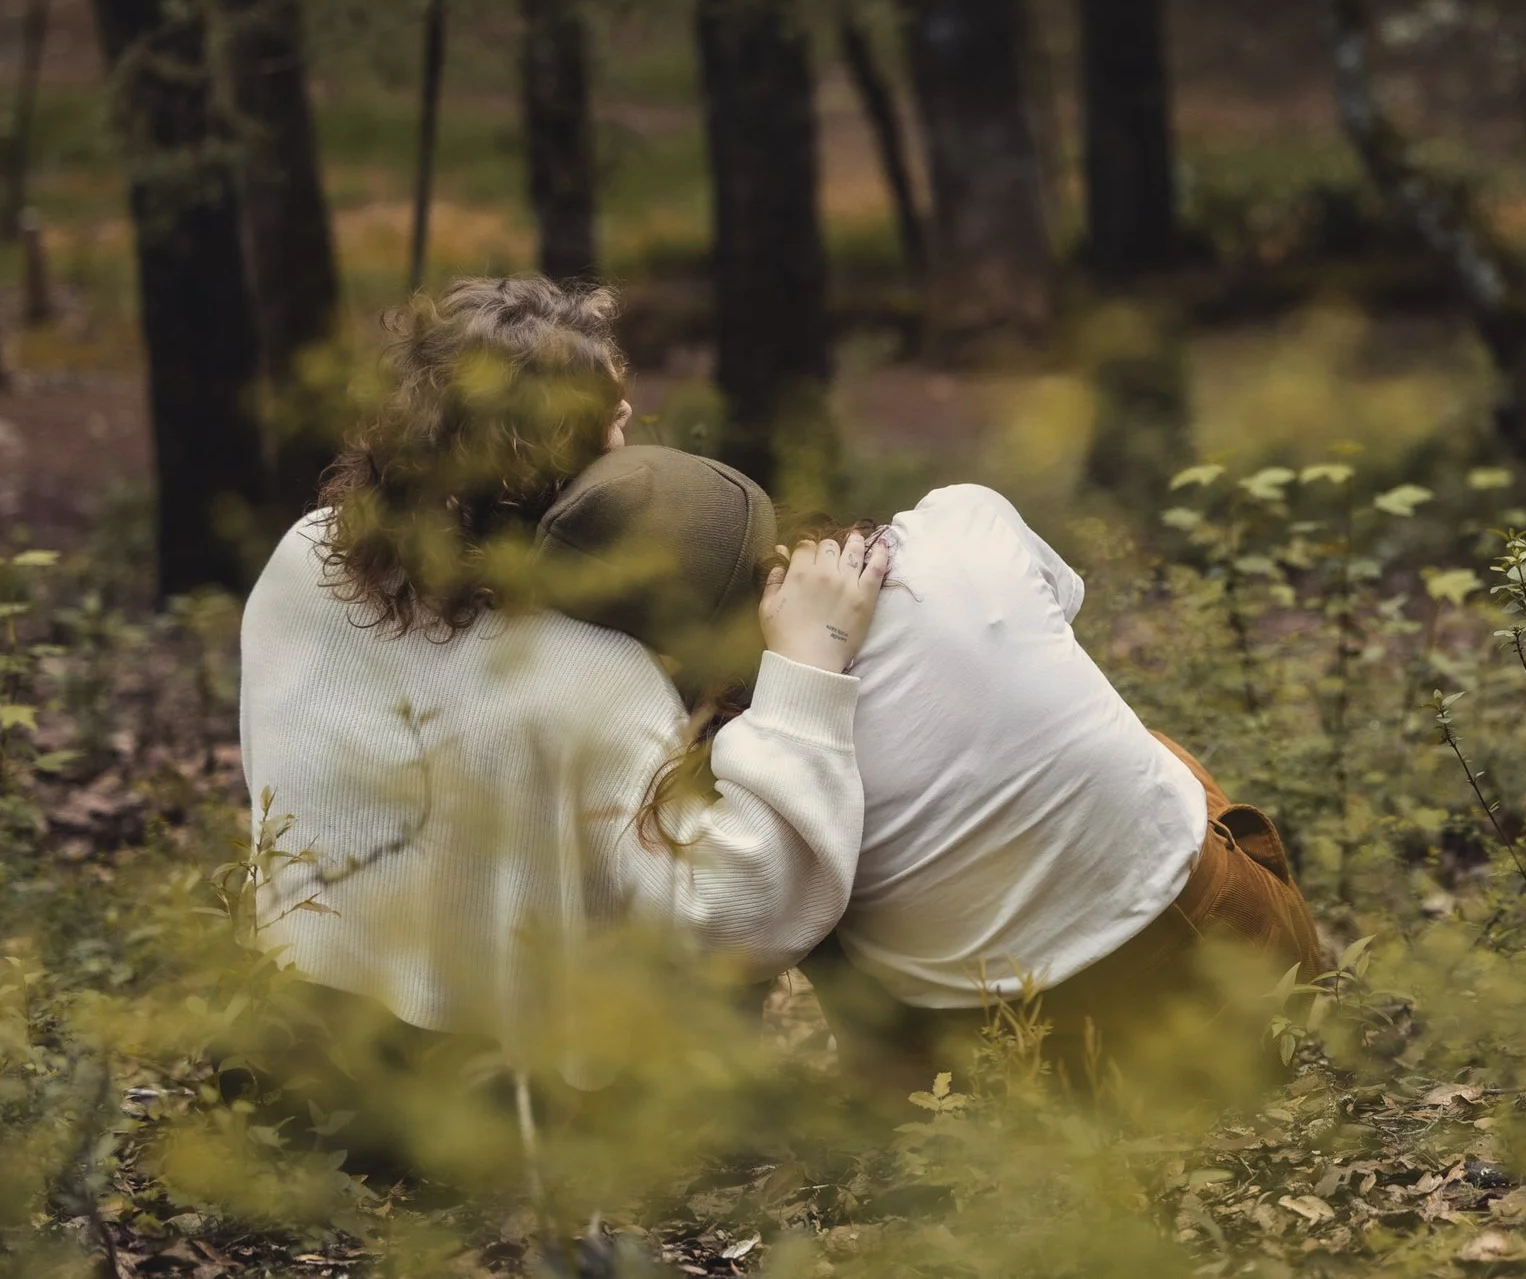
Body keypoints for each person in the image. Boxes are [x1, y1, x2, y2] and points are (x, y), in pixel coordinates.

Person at [236, 277, 890, 1067]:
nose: (632, 444)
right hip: (497, 1092)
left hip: (297, 1038)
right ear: (543, 465)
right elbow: (732, 913)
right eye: (616, 424)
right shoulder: (590, 669)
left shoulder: (304, 554)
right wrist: (804, 671)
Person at [545, 473, 1326, 1085]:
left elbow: (735, 933)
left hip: (1022, 1078)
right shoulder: (961, 519)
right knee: (1146, 748)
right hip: (1251, 981)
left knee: (807, 852)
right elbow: (1059, 614)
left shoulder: (747, 756)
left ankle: (896, 1087)